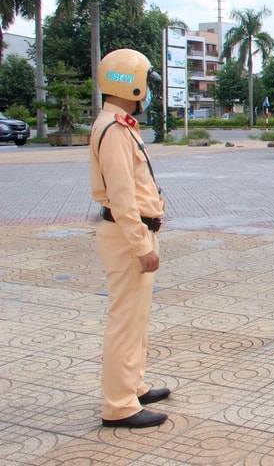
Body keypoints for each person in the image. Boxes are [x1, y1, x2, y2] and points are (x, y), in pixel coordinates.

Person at [89, 49, 170, 428]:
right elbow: (122, 197)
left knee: (136, 319)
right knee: (125, 321)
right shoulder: (112, 130)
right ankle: (119, 406)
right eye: (145, 84)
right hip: (126, 238)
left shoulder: (119, 125)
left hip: (133, 233)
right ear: (130, 83)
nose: (147, 92)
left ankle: (132, 385)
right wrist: (141, 244)